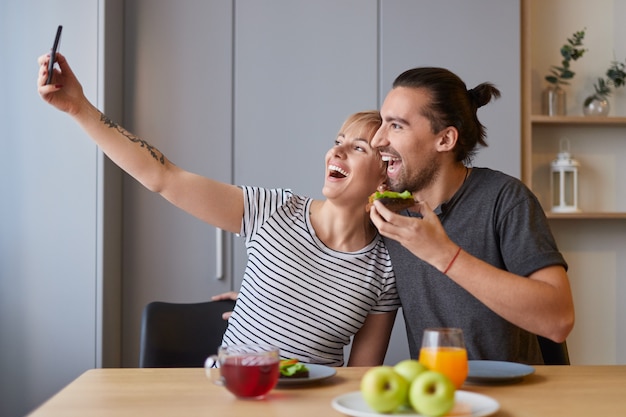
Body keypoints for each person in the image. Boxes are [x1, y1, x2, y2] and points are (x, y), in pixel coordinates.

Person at [37, 52, 401, 367]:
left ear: (385, 176)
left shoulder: (385, 269)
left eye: (357, 148)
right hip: (234, 396)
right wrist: (79, 108)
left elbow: (360, 380)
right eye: (337, 142)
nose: (335, 153)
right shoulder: (273, 210)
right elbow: (164, 177)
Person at [368, 67, 575, 364]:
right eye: (382, 123)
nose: (378, 140)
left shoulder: (505, 199)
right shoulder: (387, 214)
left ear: (445, 139)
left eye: (396, 126)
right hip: (436, 401)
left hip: (518, 401)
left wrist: (443, 255)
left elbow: (559, 319)